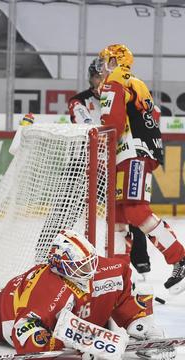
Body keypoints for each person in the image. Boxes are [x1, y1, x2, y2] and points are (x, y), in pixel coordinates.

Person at [0, 222, 175, 359]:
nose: (89, 272)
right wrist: (67, 344)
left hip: (36, 304)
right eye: (80, 268)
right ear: (61, 268)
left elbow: (124, 295)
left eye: (90, 262)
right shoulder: (48, 292)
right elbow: (26, 337)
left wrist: (141, 323)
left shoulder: (105, 269)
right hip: (2, 311)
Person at [97, 43, 185, 292]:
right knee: (118, 216)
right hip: (138, 153)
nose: (103, 66)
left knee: (135, 211)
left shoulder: (114, 81)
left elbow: (111, 124)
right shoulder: (136, 82)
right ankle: (118, 277)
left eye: (106, 60)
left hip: (131, 154)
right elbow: (152, 116)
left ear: (114, 61)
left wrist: (100, 149)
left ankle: (179, 257)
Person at [68, 58, 151, 275]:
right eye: (96, 77)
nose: (100, 81)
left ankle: (139, 259)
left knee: (130, 207)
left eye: (103, 77)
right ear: (91, 78)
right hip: (85, 164)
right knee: (68, 209)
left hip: (115, 163)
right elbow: (87, 126)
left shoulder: (122, 95)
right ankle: (51, 250)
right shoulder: (79, 101)